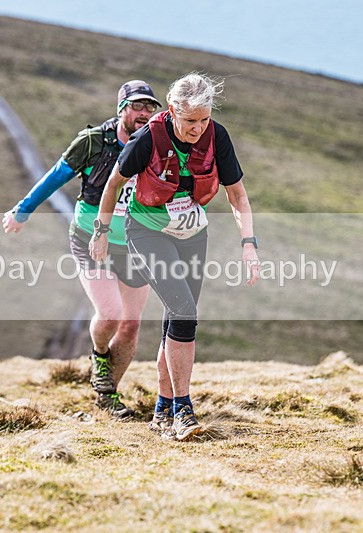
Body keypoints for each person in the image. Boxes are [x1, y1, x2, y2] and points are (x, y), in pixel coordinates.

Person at [90, 72, 260, 441]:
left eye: (204, 119)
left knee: (177, 321)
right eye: (190, 121)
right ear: (172, 111)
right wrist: (101, 232)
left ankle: (163, 410)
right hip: (146, 231)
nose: (198, 128)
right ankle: (184, 409)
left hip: (192, 234)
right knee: (184, 311)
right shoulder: (148, 136)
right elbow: (114, 182)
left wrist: (249, 244)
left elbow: (237, 195)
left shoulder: (218, 137)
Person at [2, 80, 162, 418]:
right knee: (110, 313)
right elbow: (57, 175)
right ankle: (99, 353)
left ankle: (108, 397)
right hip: (92, 238)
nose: (144, 113)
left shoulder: (157, 144)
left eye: (150, 107)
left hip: (136, 244)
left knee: (131, 325)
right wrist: (23, 209)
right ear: (122, 109)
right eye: (137, 106)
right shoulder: (92, 142)